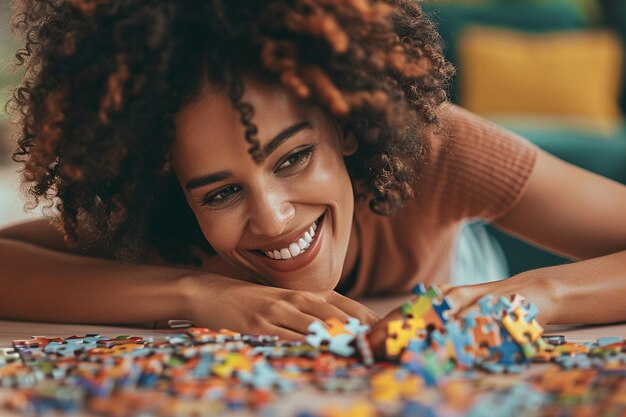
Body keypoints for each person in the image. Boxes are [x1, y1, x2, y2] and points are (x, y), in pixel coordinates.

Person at [1, 0, 626, 355]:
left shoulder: (437, 148)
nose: (273, 219)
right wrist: (194, 293)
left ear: (347, 126)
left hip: (462, 273)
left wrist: (531, 295)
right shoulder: (164, 221)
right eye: (220, 192)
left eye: (293, 157)